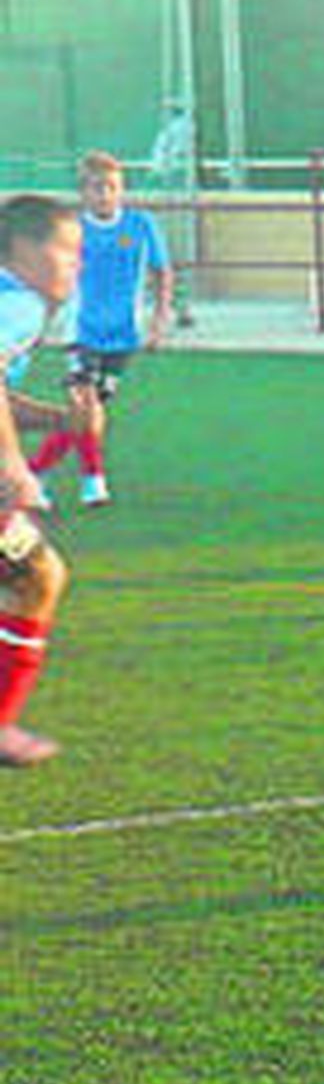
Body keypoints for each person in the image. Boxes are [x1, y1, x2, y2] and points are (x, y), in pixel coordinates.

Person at [30, 150, 174, 507]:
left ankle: (37, 472)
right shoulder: (73, 230)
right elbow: (53, 278)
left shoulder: (141, 226)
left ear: (121, 189)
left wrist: (159, 321)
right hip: (82, 334)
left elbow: (162, 272)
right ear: (84, 192)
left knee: (87, 415)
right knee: (85, 407)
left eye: (111, 187)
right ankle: (90, 481)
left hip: (123, 337)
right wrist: (41, 322)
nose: (104, 194)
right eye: (96, 188)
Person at [0, 195, 83, 766]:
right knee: (39, 575)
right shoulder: (20, 306)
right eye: (67, 250)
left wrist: (58, 420)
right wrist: (13, 467)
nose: (76, 266)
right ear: (25, 250)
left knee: (38, 573)